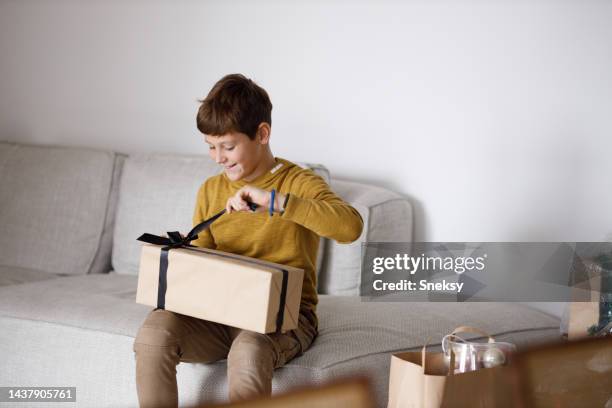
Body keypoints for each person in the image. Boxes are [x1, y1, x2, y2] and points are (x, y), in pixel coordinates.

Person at [132, 73, 363, 408]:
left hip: (283, 319)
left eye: (228, 146)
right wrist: (188, 250)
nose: (218, 158)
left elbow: (350, 227)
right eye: (211, 147)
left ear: (262, 134)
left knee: (249, 350)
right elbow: (206, 266)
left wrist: (276, 202)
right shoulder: (211, 190)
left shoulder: (298, 182)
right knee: (155, 332)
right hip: (218, 311)